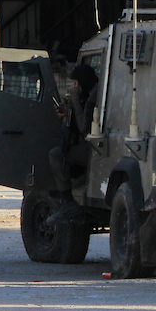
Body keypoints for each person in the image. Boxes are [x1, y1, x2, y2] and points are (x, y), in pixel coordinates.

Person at [46, 63, 99, 225]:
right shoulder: (90, 94)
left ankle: (68, 201)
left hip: (95, 150)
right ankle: (77, 182)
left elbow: (84, 128)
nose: (73, 87)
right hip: (92, 147)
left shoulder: (94, 96)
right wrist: (67, 111)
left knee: (56, 155)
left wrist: (74, 101)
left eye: (76, 83)